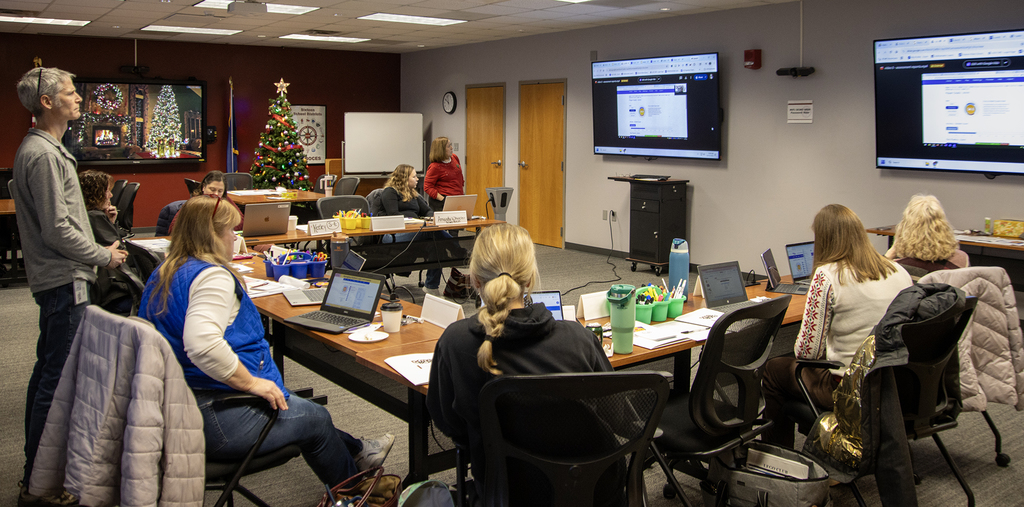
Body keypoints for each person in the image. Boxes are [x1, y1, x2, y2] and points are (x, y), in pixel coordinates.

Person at [139, 196, 394, 490]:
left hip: (177, 406)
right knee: (316, 418)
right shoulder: (211, 278)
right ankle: (352, 493)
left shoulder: (167, 270)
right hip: (213, 415)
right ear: (211, 235)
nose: (235, 238)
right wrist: (251, 383)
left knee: (305, 411)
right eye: (230, 232)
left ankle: (360, 453)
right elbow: (202, 345)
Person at [427, 223, 613, 503]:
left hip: (503, 492)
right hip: (590, 490)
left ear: (474, 279)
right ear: (530, 281)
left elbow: (449, 423)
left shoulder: (455, 343)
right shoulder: (579, 339)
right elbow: (613, 413)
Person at [12, 66, 128, 507]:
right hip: (64, 280)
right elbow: (57, 229)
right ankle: (38, 485)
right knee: (56, 384)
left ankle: (36, 477)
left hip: (63, 278)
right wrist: (105, 255)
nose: (78, 97)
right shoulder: (42, 154)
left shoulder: (48, 149)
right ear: (46, 103)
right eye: (70, 92)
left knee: (49, 376)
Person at [761, 204, 913, 447]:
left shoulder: (827, 276)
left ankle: (776, 456)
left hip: (849, 389)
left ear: (824, 239)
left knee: (775, 369)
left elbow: (807, 352)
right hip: (895, 382)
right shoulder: (898, 270)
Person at [379, 164, 454, 291]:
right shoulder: (390, 192)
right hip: (393, 235)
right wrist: (415, 221)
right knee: (430, 232)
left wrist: (426, 219)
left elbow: (429, 211)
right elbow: (394, 216)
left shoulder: (413, 194)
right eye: (414, 176)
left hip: (415, 231)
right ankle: (457, 250)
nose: (417, 179)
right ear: (404, 178)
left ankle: (431, 286)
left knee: (436, 242)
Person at [79, 170, 142, 315]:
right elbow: (121, 251)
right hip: (112, 297)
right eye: (107, 191)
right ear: (96, 194)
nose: (111, 195)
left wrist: (111, 223)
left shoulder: (85, 215)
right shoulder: (95, 217)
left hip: (99, 293)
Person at [885, 194, 969, 280]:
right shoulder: (962, 259)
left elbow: (875, 279)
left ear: (904, 229)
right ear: (944, 226)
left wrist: (889, 254)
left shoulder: (899, 268)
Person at [171, 170, 243, 234]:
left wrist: (224, 230)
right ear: (203, 187)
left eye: (220, 191)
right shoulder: (194, 203)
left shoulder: (225, 200)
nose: (216, 194)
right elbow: (174, 227)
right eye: (212, 189)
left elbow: (241, 221)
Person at [423, 136, 464, 212]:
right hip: (442, 203)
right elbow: (427, 187)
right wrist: (443, 199)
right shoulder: (435, 167)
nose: (452, 148)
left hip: (457, 198)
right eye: (449, 146)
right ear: (441, 150)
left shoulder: (454, 158)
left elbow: (459, 177)